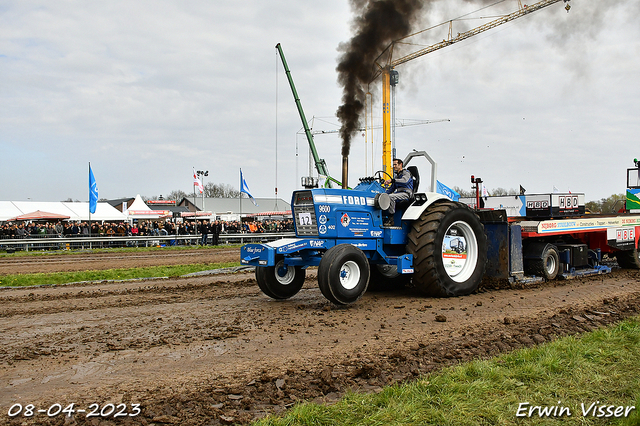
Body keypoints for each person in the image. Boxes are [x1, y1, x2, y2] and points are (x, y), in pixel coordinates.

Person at [383, 158, 414, 227]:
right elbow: (391, 189)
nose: (394, 166)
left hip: (406, 193)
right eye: (393, 165)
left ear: (400, 165)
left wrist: (392, 180)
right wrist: (383, 194)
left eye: (395, 164)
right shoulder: (397, 176)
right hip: (399, 194)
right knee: (386, 197)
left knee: (391, 197)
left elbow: (405, 181)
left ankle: (391, 220)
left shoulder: (406, 173)